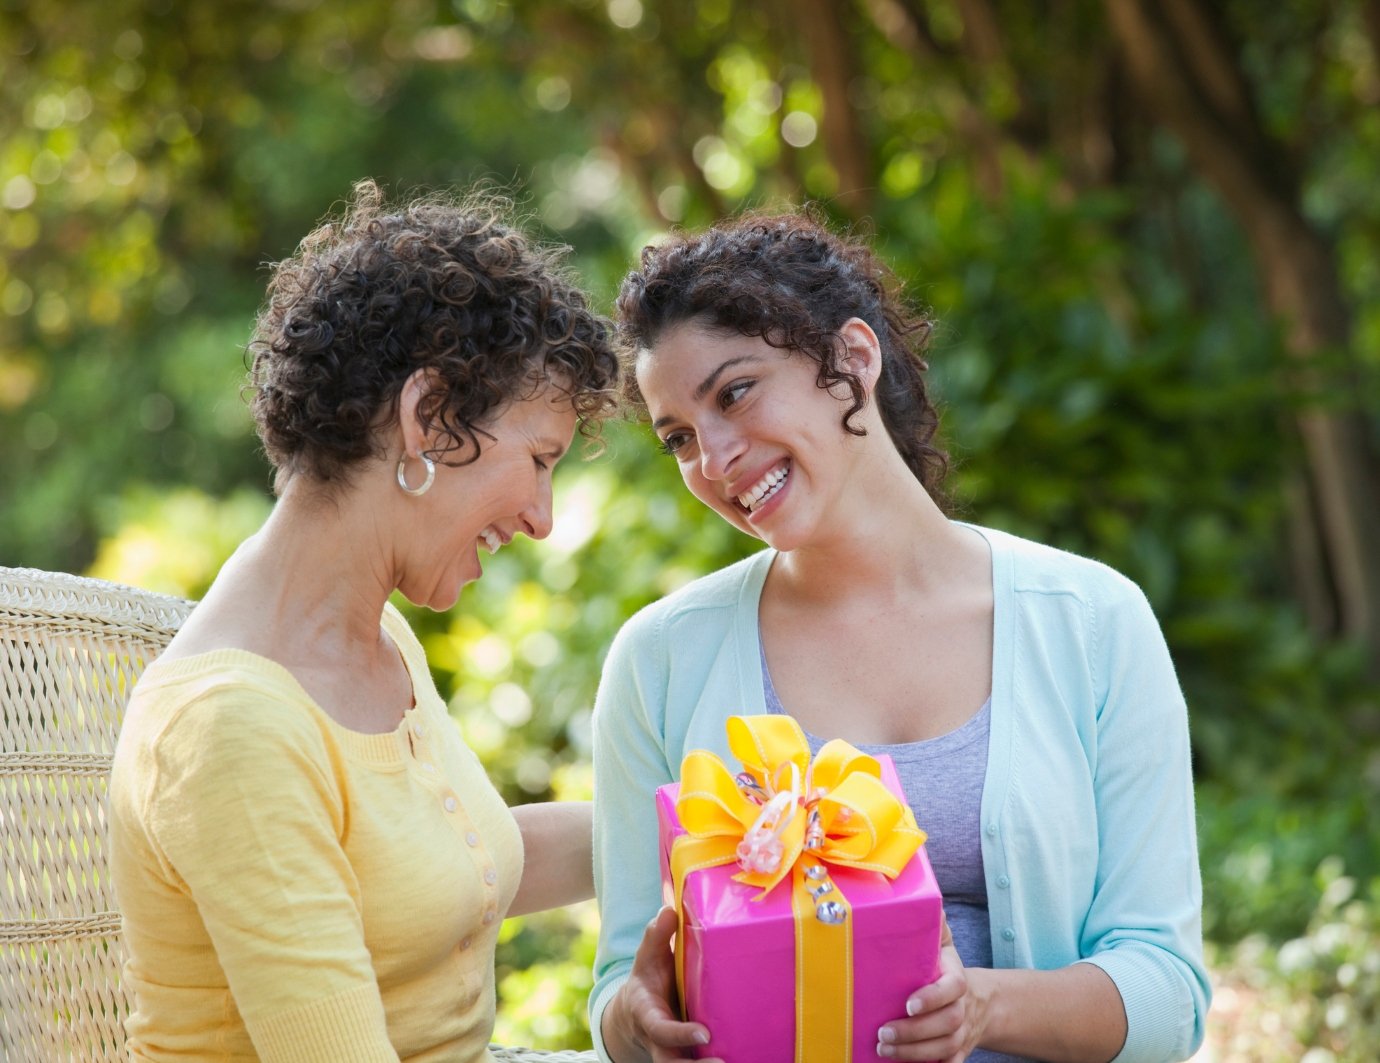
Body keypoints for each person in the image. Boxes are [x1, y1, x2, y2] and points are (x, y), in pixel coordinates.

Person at [588, 211, 1211, 1063]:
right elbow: (620, 985)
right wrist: (636, 1021)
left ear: (853, 357)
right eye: (679, 439)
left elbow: (1170, 998)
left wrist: (981, 1008)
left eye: (735, 393)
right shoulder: (660, 660)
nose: (715, 458)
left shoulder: (1094, 622)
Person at [109, 180, 619, 1062]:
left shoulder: (375, 638)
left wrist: (701, 822)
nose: (541, 516)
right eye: (537, 459)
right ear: (427, 417)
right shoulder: (231, 727)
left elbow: (455, 873)